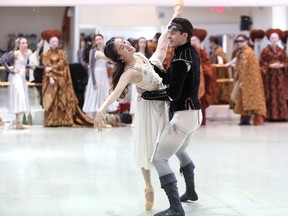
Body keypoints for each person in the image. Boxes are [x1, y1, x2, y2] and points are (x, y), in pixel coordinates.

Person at [93, 0, 183, 211]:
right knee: (147, 148)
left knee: (162, 43)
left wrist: (177, 12)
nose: (126, 45)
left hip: (156, 87)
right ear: (120, 56)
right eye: (122, 47)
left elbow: (160, 43)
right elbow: (116, 92)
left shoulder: (138, 55)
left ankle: (176, 14)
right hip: (149, 107)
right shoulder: (129, 72)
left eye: (124, 42)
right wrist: (100, 110)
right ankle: (148, 186)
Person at [141, 17, 202, 216]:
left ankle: (176, 208)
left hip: (183, 116)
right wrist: (154, 66)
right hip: (194, 115)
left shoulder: (179, 57)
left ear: (185, 35)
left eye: (173, 32)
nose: (169, 35)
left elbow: (172, 93)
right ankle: (191, 191)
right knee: (180, 150)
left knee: (160, 158)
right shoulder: (190, 52)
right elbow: (171, 78)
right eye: (169, 32)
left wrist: (147, 95)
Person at [41, 29, 93, 127]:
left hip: (62, 80)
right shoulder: (46, 54)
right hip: (52, 81)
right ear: (49, 43)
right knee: (52, 101)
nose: (55, 43)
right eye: (53, 42)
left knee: (63, 100)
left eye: (56, 41)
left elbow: (62, 65)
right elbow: (45, 66)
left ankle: (64, 120)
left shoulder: (62, 53)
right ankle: (52, 120)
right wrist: (51, 78)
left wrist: (51, 68)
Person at [225, 34, 266, 125]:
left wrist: (243, 81)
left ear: (246, 41)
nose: (239, 43)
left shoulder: (248, 53)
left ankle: (248, 119)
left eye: (241, 41)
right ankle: (245, 119)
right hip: (243, 79)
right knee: (242, 99)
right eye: (237, 41)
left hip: (247, 80)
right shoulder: (241, 52)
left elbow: (248, 68)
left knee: (247, 99)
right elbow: (239, 63)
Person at [0, 37, 41, 129]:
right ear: (18, 45)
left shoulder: (25, 53)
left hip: (22, 78)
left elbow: (22, 64)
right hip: (16, 78)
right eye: (23, 43)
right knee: (19, 98)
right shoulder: (15, 53)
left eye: (26, 43)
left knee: (21, 99)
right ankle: (19, 123)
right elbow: (2, 60)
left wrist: (30, 67)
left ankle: (19, 123)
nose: (25, 44)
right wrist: (11, 70)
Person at [259, 29, 288, 121]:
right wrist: (270, 65)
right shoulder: (265, 50)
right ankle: (269, 116)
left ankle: (282, 116)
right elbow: (261, 63)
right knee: (269, 95)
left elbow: (286, 61)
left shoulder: (282, 51)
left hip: (280, 76)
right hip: (269, 76)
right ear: (269, 39)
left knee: (281, 95)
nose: (274, 39)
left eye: (276, 38)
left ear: (278, 39)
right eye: (272, 38)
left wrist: (282, 65)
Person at [82, 34, 112, 120]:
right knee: (95, 97)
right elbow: (91, 66)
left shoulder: (106, 51)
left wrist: (110, 67)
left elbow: (105, 63)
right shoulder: (93, 51)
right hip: (96, 75)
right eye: (97, 39)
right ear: (95, 42)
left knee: (104, 96)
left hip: (104, 75)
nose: (98, 41)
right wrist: (94, 82)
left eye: (100, 39)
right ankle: (96, 121)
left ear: (103, 40)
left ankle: (103, 120)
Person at [191, 28, 216, 125]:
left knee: (201, 103)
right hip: (190, 83)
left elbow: (208, 67)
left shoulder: (203, 53)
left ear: (199, 42)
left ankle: (201, 121)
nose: (192, 42)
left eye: (194, 40)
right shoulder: (186, 52)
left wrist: (201, 70)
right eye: (191, 40)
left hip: (202, 83)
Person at [130, 37, 152, 127]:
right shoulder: (134, 54)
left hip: (146, 78)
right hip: (136, 77)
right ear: (138, 43)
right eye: (141, 42)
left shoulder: (150, 54)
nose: (142, 44)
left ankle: (145, 119)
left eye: (144, 42)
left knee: (145, 98)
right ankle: (134, 118)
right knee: (135, 98)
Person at [209, 35, 231, 104]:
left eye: (210, 42)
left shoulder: (218, 51)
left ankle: (221, 99)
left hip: (219, 73)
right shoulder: (216, 50)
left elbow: (220, 62)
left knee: (220, 86)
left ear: (212, 42)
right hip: (216, 72)